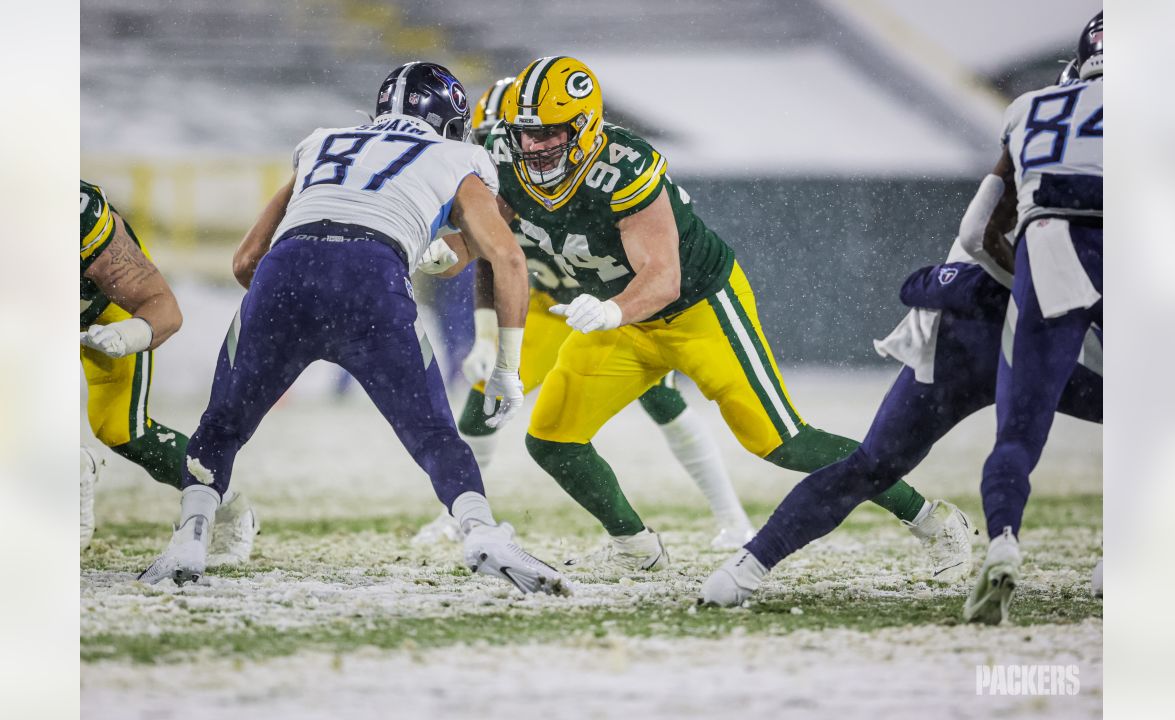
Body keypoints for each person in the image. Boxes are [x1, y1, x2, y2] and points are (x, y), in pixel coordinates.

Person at [480, 56, 970, 577]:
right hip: (621, 320)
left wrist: (609, 309)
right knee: (552, 439)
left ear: (584, 124)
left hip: (697, 307)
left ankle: (932, 519)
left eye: (550, 132)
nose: (534, 147)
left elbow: (663, 278)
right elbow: (486, 235)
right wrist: (442, 250)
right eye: (524, 133)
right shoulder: (502, 159)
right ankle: (635, 547)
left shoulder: (624, 165)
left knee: (783, 442)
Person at [138, 62, 567, 596]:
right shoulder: (460, 157)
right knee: (434, 435)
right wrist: (504, 366)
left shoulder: (325, 140)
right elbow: (507, 259)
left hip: (286, 268)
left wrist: (285, 311)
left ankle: (190, 536)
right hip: (371, 275)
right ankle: (481, 533)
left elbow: (246, 260)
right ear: (450, 122)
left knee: (221, 426)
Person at [412, 78, 755, 550]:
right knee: (484, 405)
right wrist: (488, 337)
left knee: (664, 403)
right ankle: (458, 514)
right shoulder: (504, 180)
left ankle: (732, 517)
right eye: (499, 145)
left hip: (608, 305)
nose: (511, 161)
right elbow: (489, 258)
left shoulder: (589, 178)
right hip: (546, 303)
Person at [700, 235, 1101, 606]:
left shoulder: (1044, 186)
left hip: (978, 330)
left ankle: (748, 566)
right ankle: (1007, 543)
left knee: (870, 465)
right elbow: (968, 244)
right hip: (1020, 329)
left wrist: (960, 283)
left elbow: (961, 247)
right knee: (1019, 440)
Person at [959, 11, 1104, 624]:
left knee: (1018, 433)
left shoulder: (1029, 107)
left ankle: (1003, 543)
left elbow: (973, 233)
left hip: (1046, 248)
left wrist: (1031, 292)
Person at [80, 180, 258, 561]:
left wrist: (129, 333)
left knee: (122, 429)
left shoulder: (79, 218)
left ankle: (227, 507)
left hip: (99, 311)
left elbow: (163, 308)